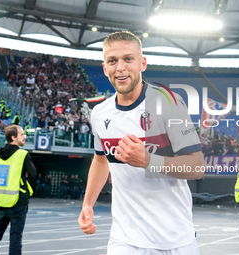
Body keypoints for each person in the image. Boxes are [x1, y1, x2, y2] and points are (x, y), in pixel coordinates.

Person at [77, 31, 205, 254]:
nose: (121, 68)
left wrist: (148, 160)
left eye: (128, 59)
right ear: (104, 68)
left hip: (175, 241)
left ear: (142, 63)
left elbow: (196, 167)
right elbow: (100, 161)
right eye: (112, 61)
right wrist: (88, 204)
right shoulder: (99, 113)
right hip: (124, 241)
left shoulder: (169, 103)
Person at [0, 125, 36, 255]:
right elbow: (33, 174)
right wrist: (25, 174)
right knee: (15, 238)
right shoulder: (22, 154)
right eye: (22, 134)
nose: (25, 137)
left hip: (0, 201)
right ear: (13, 137)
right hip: (17, 202)